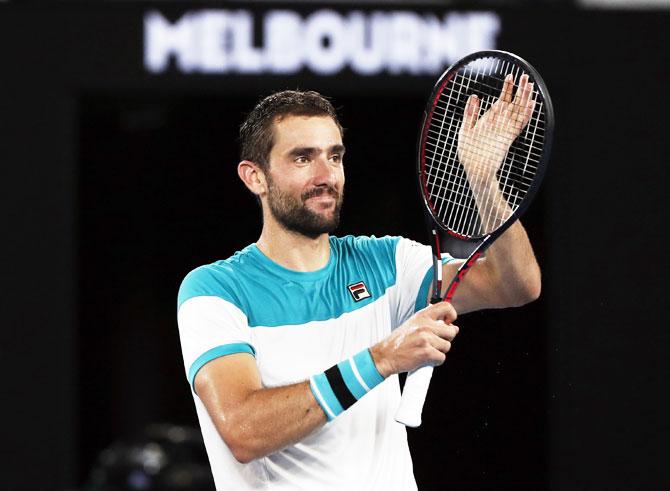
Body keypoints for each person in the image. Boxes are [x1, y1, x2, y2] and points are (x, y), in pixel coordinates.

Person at [177, 87, 540, 490]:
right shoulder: (215, 290)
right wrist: (383, 358)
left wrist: (483, 179)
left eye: (334, 156)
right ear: (255, 177)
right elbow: (244, 431)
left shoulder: (386, 262)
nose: (326, 175)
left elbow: (516, 285)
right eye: (303, 158)